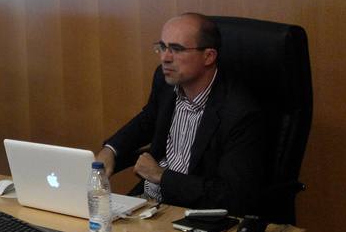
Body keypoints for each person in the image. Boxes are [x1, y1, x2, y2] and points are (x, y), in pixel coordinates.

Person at [95, 13, 265, 214]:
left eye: (176, 49)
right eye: (162, 47)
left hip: (194, 212)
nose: (165, 58)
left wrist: (161, 176)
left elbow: (232, 196)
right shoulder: (166, 80)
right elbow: (148, 119)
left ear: (209, 56)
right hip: (150, 202)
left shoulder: (240, 113)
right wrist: (111, 149)